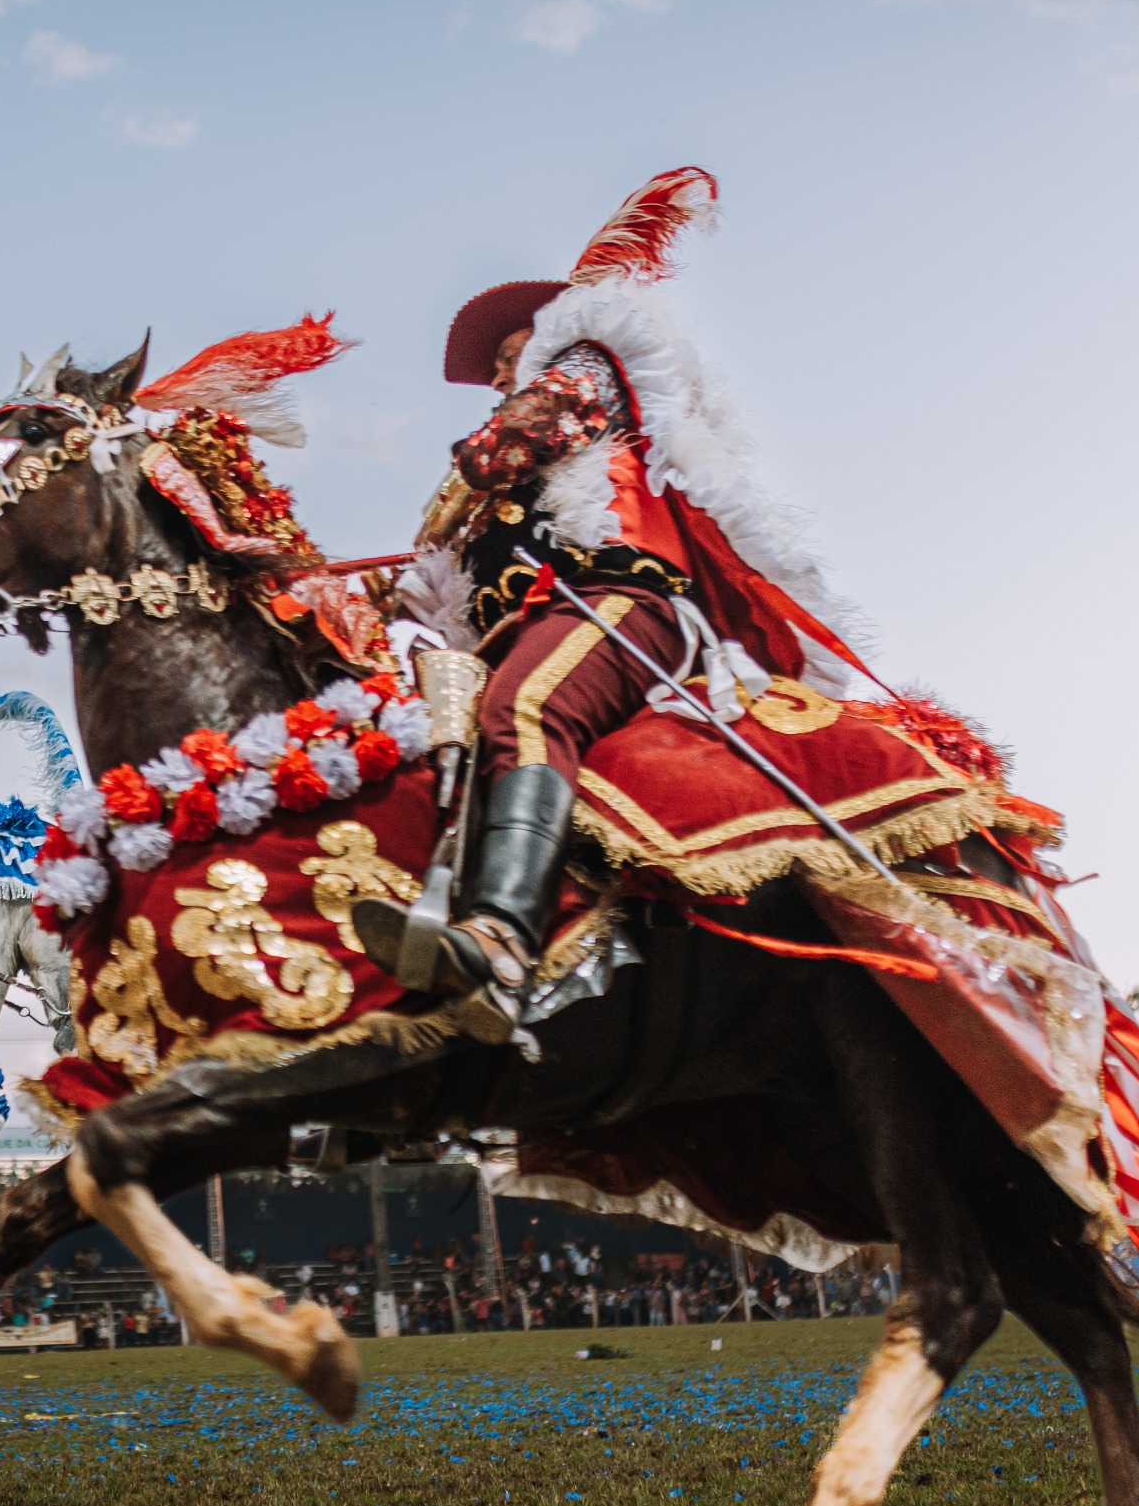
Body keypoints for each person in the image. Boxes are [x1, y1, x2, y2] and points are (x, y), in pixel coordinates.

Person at [356, 168, 874, 1032]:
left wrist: (468, 473)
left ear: (549, 328)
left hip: (620, 603)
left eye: (503, 354)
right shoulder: (519, 424)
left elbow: (502, 448)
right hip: (526, 623)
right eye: (492, 368)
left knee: (525, 709)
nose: (495, 375)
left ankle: (503, 942)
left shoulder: (588, 369)